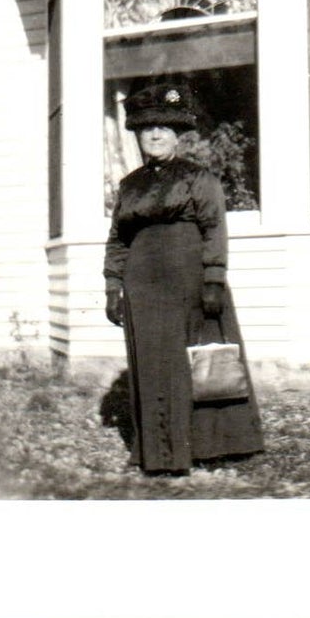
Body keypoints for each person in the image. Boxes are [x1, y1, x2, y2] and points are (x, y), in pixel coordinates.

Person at [103, 82, 263, 474]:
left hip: (189, 286)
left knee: (198, 366)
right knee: (153, 366)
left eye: (163, 128)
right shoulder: (129, 185)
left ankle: (205, 447)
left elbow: (214, 230)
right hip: (141, 290)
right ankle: (157, 452)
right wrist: (112, 285)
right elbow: (118, 239)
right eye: (147, 129)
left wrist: (213, 280)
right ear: (138, 135)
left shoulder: (198, 178)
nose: (155, 135)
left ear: (177, 133)